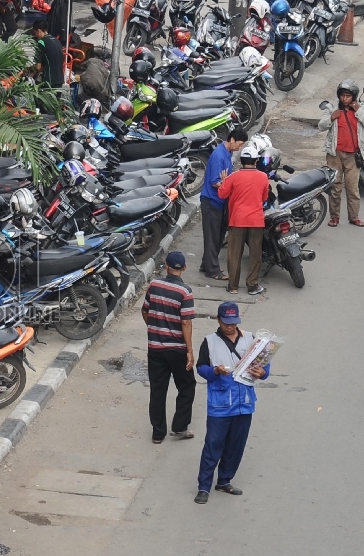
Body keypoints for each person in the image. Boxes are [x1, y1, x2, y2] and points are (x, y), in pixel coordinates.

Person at [194, 301, 269, 504]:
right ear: (218, 320)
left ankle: (224, 480)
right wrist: (214, 371)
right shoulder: (209, 342)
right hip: (220, 404)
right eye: (226, 322)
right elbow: (200, 368)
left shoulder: (251, 339)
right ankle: (204, 487)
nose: (230, 326)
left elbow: (264, 368)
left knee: (236, 446)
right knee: (213, 446)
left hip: (244, 404)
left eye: (233, 322)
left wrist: (262, 373)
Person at [141, 251, 196, 445]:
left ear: (166, 266)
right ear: (184, 268)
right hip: (177, 349)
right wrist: (189, 351)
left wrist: (154, 329)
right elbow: (186, 322)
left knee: (158, 389)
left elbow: (145, 311)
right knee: (187, 386)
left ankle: (158, 433)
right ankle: (180, 426)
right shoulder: (185, 292)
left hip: (155, 347)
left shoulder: (154, 285)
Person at [319, 79, 364, 228]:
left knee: (352, 188)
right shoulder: (332, 108)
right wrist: (332, 117)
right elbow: (320, 126)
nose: (345, 99)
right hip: (335, 154)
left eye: (348, 96)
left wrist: (359, 111)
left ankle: (354, 217)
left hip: (353, 156)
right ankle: (334, 217)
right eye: (342, 95)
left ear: (354, 96)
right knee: (335, 187)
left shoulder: (361, 108)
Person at [217, 146, 269, 296]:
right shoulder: (263, 177)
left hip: (237, 220)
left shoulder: (233, 177)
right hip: (256, 221)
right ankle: (252, 285)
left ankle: (233, 286)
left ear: (241, 160)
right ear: (255, 161)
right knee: (255, 254)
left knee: (234, 254)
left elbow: (222, 194)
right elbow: (265, 198)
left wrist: (224, 180)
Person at [199, 127, 247, 281]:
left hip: (220, 201)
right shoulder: (219, 156)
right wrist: (229, 184)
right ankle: (212, 270)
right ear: (231, 140)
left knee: (218, 235)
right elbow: (216, 182)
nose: (240, 147)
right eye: (239, 144)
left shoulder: (228, 154)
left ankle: (206, 264)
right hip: (212, 201)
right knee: (213, 237)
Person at [31, 20, 64, 88]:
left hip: (49, 82)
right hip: (60, 80)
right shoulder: (57, 40)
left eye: (35, 33)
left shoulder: (41, 42)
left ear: (39, 31)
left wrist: (27, 70)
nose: (36, 35)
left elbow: (37, 67)